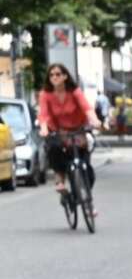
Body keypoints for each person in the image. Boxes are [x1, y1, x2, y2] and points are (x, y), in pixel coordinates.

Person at [36, 63, 99, 203]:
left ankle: (86, 197)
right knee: (54, 148)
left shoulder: (74, 91)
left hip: (78, 131)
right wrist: (44, 128)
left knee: (86, 168)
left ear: (65, 76)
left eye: (58, 74)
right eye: (51, 75)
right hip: (58, 132)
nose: (54, 77)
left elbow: (86, 108)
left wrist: (94, 120)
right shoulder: (45, 94)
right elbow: (43, 115)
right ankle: (60, 181)